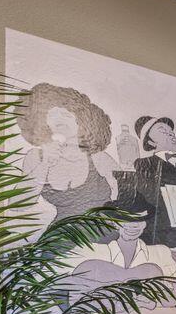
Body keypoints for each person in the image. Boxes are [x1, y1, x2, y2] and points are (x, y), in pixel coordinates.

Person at [66, 198, 176, 314]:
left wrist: (166, 295)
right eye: (125, 220)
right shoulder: (93, 250)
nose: (133, 225)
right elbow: (53, 272)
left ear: (145, 224)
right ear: (114, 223)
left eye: (139, 220)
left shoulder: (159, 252)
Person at [18, 83, 118, 225]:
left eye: (66, 114)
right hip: (63, 232)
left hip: (103, 227)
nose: (59, 119)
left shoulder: (96, 156)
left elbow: (127, 191)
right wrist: (45, 163)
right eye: (52, 114)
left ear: (80, 122)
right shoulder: (35, 157)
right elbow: (19, 205)